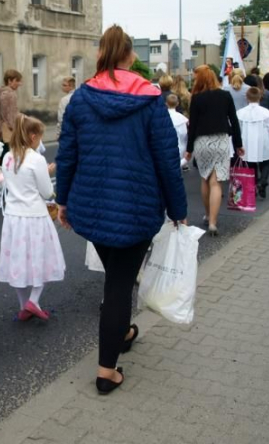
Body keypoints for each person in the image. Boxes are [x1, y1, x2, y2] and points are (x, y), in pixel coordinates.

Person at [55, 25, 187, 395]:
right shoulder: (150, 98)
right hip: (137, 207)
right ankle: (106, 371)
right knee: (118, 284)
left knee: (117, 278)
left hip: (92, 207)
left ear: (101, 54)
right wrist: (178, 208)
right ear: (130, 56)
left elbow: (67, 155)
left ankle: (123, 332)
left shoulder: (81, 98)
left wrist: (63, 200)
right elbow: (167, 159)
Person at [0, 115, 64, 321]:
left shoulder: (7, 157)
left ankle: (23, 305)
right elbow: (46, 191)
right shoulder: (36, 159)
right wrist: (46, 174)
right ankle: (33, 300)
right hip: (34, 216)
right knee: (41, 257)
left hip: (13, 217)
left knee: (18, 261)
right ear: (33, 136)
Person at [186, 65, 244, 237]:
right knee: (216, 182)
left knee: (205, 179)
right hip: (221, 140)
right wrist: (238, 144)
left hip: (201, 142)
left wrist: (189, 149)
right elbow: (234, 120)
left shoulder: (196, 98)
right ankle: (212, 222)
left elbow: (192, 125)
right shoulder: (225, 96)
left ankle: (207, 214)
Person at [237, 87, 269, 199]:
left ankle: (254, 186)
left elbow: (239, 129)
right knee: (266, 162)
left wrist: (239, 143)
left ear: (247, 98)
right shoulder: (265, 112)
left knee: (250, 164)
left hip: (247, 140)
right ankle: (262, 181)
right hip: (262, 139)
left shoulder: (241, 113)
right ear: (259, 97)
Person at [0, 69, 22, 160]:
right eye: (17, 81)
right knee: (6, 155)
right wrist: (17, 128)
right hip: (6, 131)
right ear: (9, 81)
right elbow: (10, 115)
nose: (19, 84)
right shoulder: (10, 94)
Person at [166, 94, 189, 167]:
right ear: (177, 103)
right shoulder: (180, 117)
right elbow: (184, 133)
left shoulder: (165, 116)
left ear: (166, 103)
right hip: (181, 146)